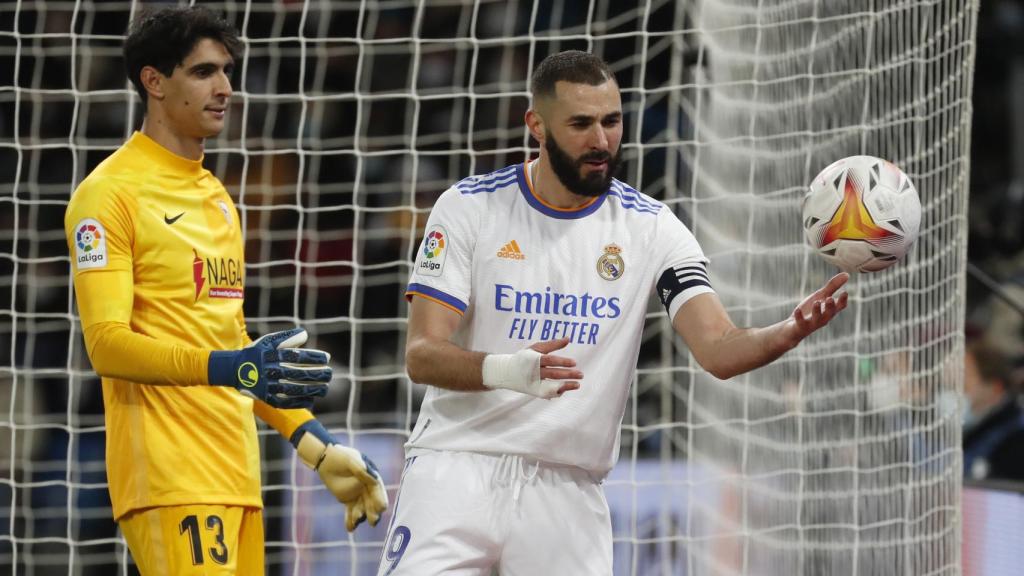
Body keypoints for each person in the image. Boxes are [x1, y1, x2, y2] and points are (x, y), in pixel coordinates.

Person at [378, 50, 848, 575]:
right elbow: (422, 356)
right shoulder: (469, 208)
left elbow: (717, 347)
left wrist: (786, 330)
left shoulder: (651, 228)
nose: (601, 141)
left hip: (567, 491)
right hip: (456, 467)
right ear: (536, 124)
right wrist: (508, 370)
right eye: (580, 124)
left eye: (612, 121)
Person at [63, 7, 387, 574]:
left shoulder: (216, 195)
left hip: (237, 475)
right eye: (204, 72)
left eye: (228, 71)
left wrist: (314, 444)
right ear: (154, 82)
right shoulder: (107, 195)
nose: (225, 88)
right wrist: (231, 367)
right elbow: (108, 346)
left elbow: (233, 344)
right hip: (169, 477)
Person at [962, 339, 1024, 481]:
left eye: (967, 378)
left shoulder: (1016, 435)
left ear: (995, 387)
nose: (959, 388)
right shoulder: (979, 425)